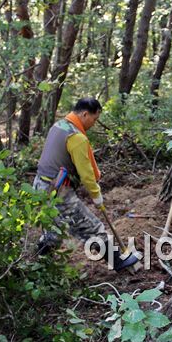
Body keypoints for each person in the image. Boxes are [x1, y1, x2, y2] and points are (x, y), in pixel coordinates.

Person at [33, 97, 138, 271]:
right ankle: (119, 262)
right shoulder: (76, 137)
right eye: (94, 119)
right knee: (92, 227)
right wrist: (96, 196)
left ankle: (37, 266)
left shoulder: (59, 125)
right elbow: (86, 174)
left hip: (39, 185)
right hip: (58, 189)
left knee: (53, 233)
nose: (94, 124)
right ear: (84, 114)